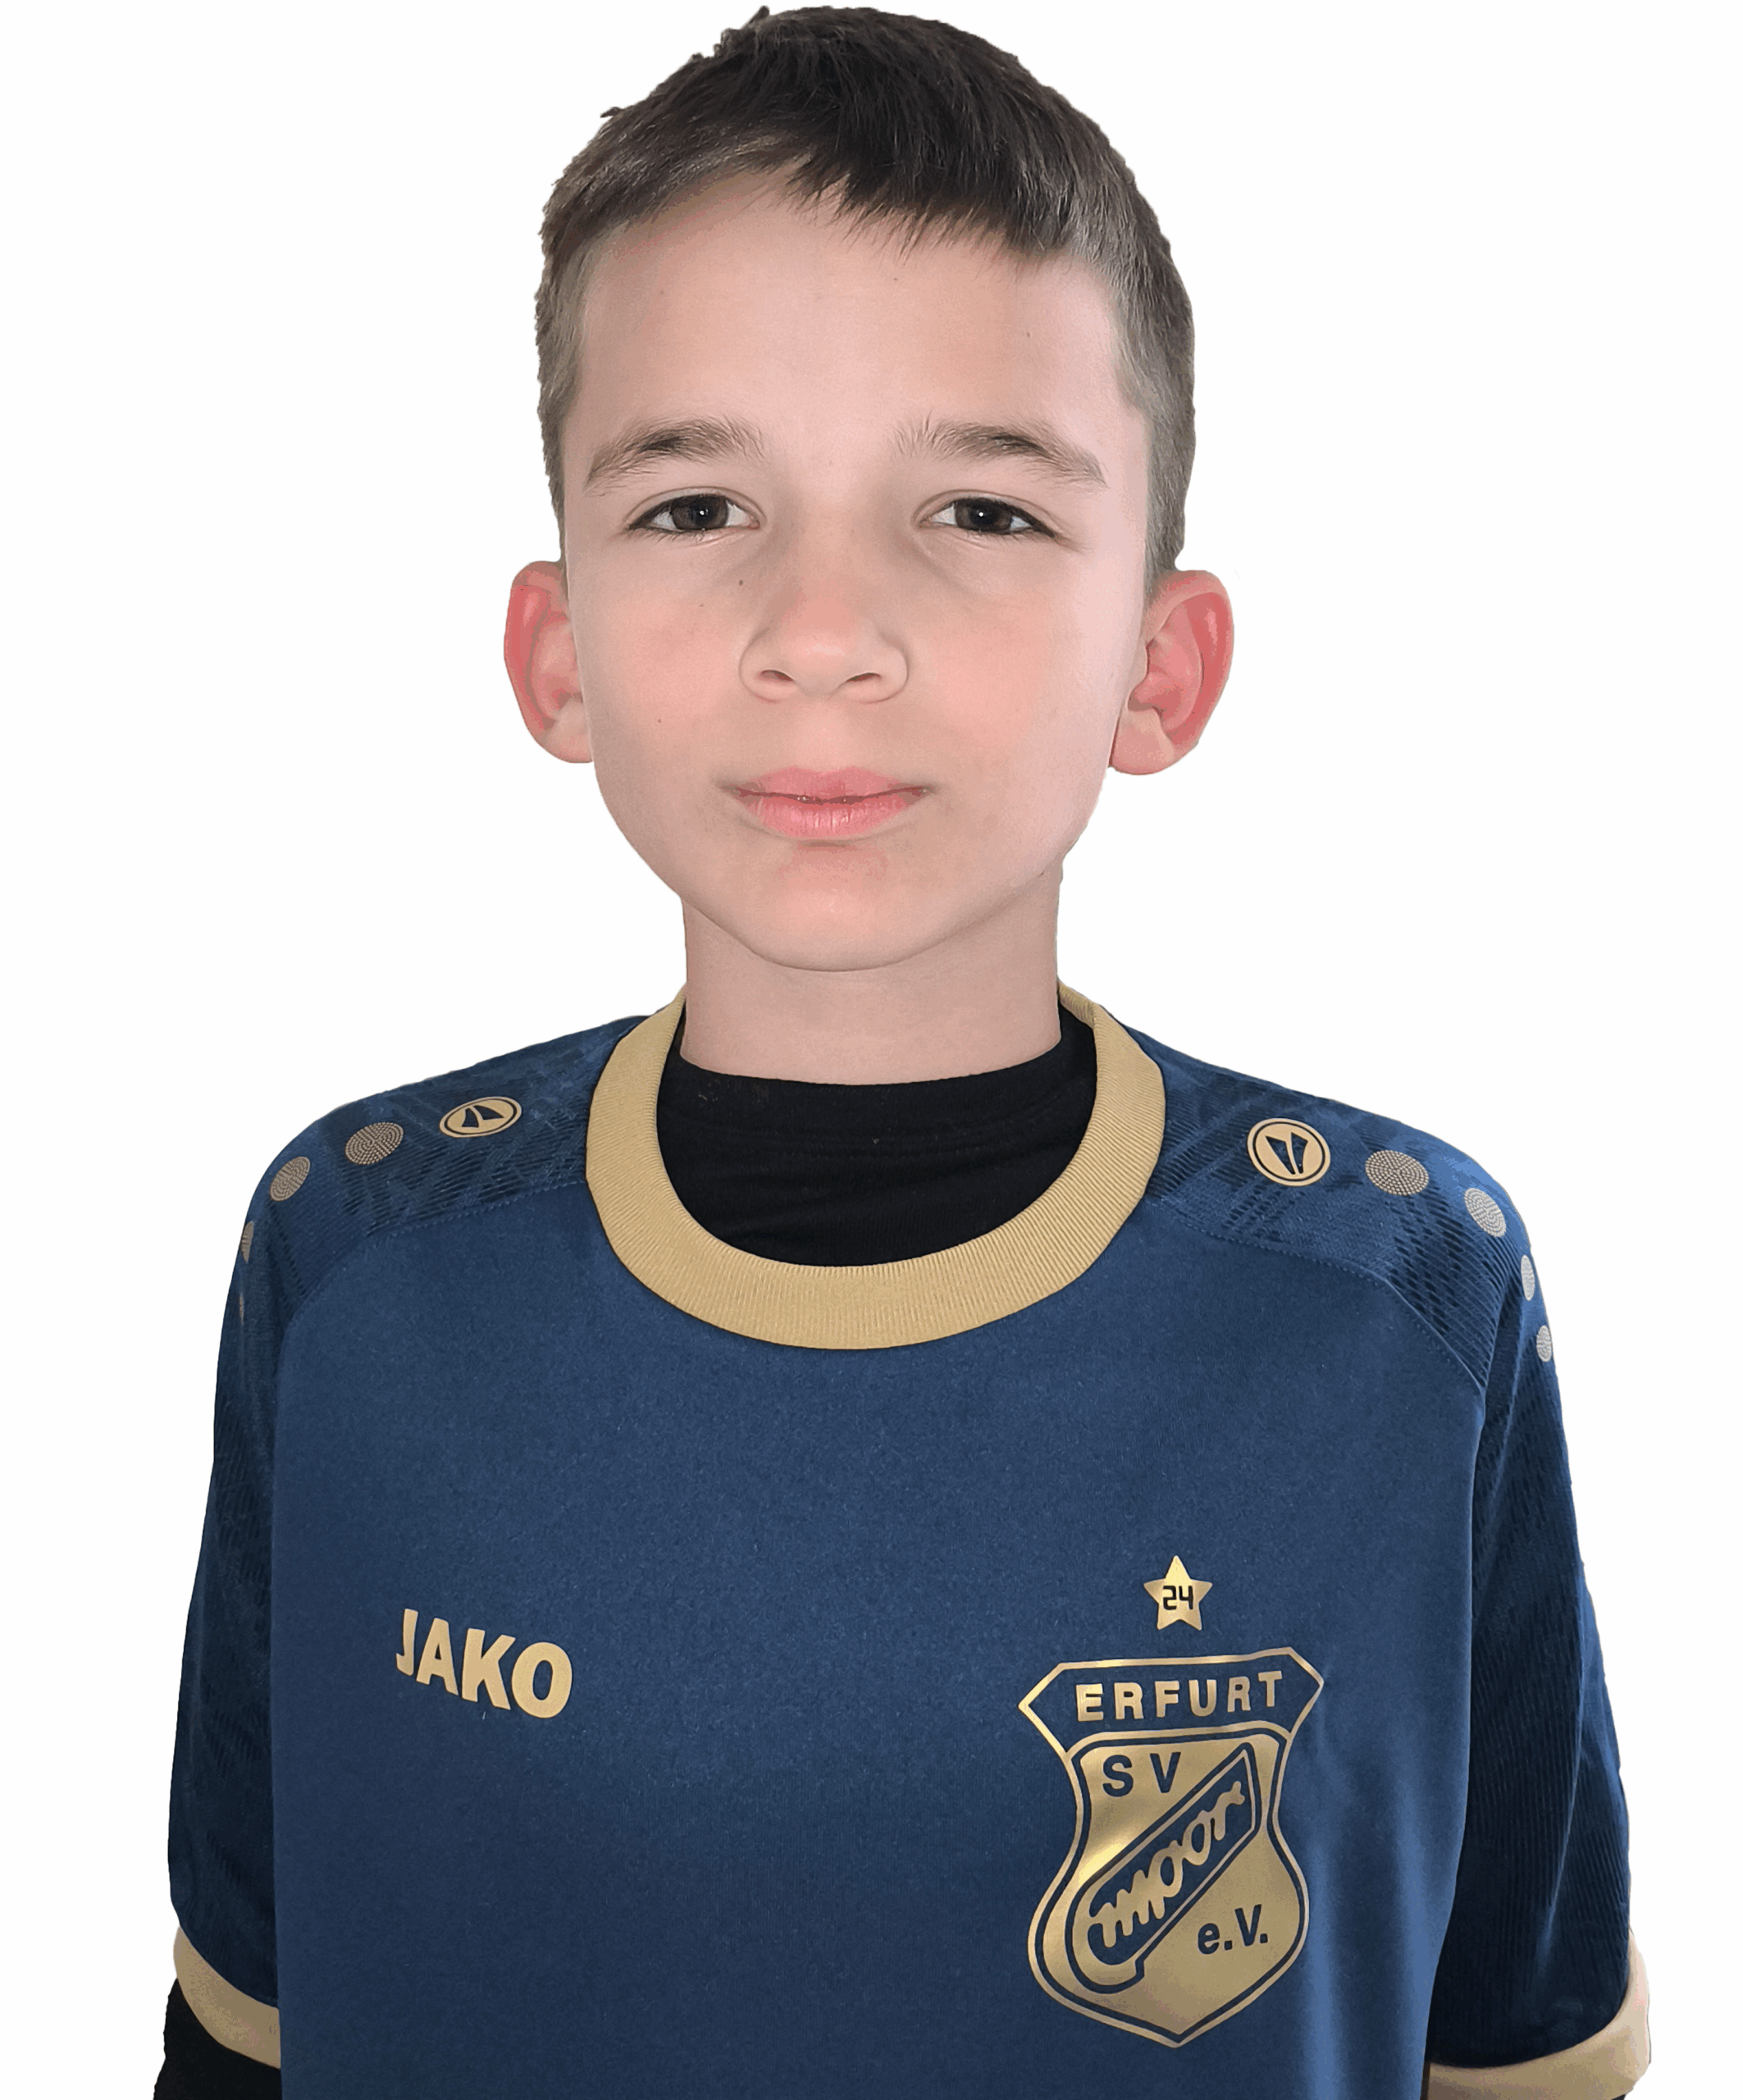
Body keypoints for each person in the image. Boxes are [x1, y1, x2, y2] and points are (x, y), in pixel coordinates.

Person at [156, 9, 1647, 2096]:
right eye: (698, 503)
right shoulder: (354, 1262)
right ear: (554, 651)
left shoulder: (1406, 1295)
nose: (825, 630)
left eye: (980, 509)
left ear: (1163, 660)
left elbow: (1524, 2054)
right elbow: (239, 2033)